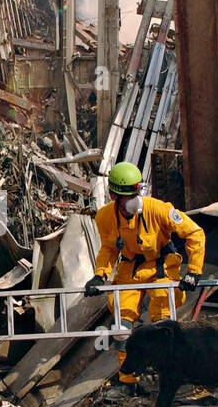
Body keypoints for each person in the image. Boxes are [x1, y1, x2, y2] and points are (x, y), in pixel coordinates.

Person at [84, 161, 205, 384]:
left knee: (164, 327)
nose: (134, 200)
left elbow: (195, 234)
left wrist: (194, 272)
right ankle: (128, 380)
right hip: (130, 268)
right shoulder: (105, 217)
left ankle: (169, 379)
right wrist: (100, 274)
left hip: (161, 266)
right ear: (114, 196)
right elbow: (109, 248)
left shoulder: (158, 209)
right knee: (121, 328)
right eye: (128, 196)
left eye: (136, 193)